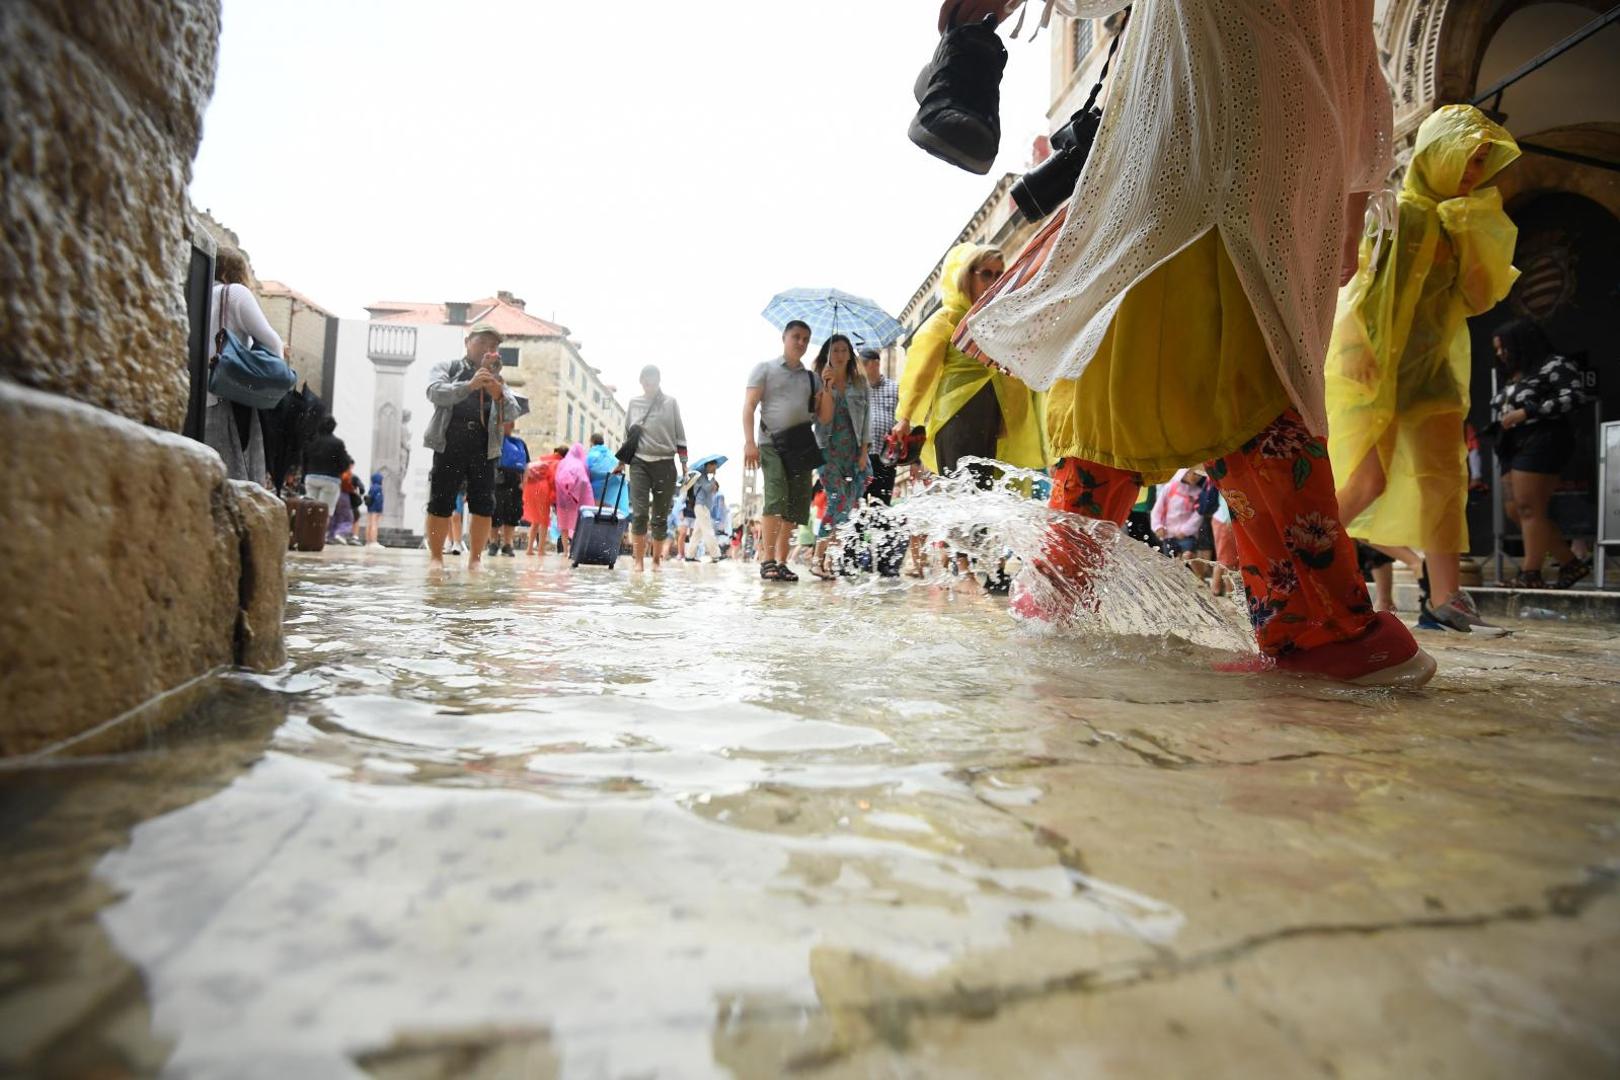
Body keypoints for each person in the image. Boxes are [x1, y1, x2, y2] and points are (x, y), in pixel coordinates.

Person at [958, 0, 1432, 685]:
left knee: (1218, 373)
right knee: (1179, 367)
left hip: (1200, 135)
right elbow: (1363, 66)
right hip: (1276, 145)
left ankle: (1325, 627)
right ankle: (1059, 597)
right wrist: (1348, 205)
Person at [1327, 104, 1521, 633]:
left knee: (1443, 483)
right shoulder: (1398, 214)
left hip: (1434, 376)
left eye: (1482, 162)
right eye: (1466, 158)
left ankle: (1447, 599)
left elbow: (1478, 298)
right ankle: (1294, 567)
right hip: (1380, 371)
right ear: (1437, 153)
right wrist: (1354, 356)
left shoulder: (1459, 223)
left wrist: (1475, 231)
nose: (1473, 173)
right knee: (1366, 481)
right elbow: (1360, 291)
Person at [892, 244, 1044, 486]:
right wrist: (906, 417)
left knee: (982, 498)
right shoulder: (948, 319)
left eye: (998, 275)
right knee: (964, 495)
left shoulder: (999, 321)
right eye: (986, 274)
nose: (993, 281)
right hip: (956, 416)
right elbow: (922, 371)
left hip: (990, 418)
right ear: (966, 276)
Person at [1489, 319, 1592, 589]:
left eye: (1504, 348)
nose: (1501, 354)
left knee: (1529, 507)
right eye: (1497, 349)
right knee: (1515, 510)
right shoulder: (1513, 373)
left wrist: (1528, 411)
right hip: (1512, 443)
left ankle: (1530, 574)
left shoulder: (1554, 365)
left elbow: (1576, 395)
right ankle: (1570, 563)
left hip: (1543, 438)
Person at [422, 323, 520, 569]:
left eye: (494, 346)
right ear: (468, 342)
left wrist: (498, 393)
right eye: (483, 342)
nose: (489, 349)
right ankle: (436, 557)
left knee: (484, 503)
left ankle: (476, 560)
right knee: (441, 501)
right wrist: (469, 386)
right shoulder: (449, 367)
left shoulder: (498, 379)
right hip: (449, 442)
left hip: (485, 447)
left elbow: (513, 412)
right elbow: (434, 392)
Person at [744, 321, 834, 582]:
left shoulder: (812, 378)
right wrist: (749, 442)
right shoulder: (765, 369)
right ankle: (767, 560)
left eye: (806, 339)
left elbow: (825, 417)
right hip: (771, 442)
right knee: (775, 497)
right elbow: (749, 406)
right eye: (796, 337)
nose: (801, 343)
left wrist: (826, 387)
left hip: (801, 445)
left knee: (795, 507)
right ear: (784, 337)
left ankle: (782, 562)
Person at [205, 247, 282, 486]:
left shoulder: (195, 292)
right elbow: (273, 344)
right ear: (231, 272)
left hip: (195, 402)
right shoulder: (234, 293)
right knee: (236, 483)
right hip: (228, 398)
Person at [810, 335, 871, 580]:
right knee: (837, 500)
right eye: (835, 350)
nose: (840, 354)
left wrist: (865, 451)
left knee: (848, 502)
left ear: (850, 354)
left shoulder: (860, 383)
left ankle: (830, 558)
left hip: (854, 450)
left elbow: (867, 418)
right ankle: (818, 558)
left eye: (844, 350)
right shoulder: (817, 380)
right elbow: (820, 420)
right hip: (827, 450)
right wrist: (826, 389)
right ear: (827, 353)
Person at [621, 365, 689, 572]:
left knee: (660, 516)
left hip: (665, 464)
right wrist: (621, 461)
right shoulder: (634, 403)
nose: (649, 383)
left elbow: (680, 434)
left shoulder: (670, 403)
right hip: (640, 463)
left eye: (653, 379)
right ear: (640, 381)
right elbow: (627, 435)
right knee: (640, 514)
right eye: (645, 380)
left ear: (659, 380)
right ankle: (638, 560)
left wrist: (684, 465)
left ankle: (657, 560)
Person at [862, 347, 899, 505]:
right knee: (857, 509)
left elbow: (904, 420)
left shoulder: (895, 388)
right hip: (862, 457)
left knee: (882, 509)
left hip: (886, 458)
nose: (859, 367)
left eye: (863, 363)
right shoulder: (858, 390)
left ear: (876, 364)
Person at [302, 414, 352, 527]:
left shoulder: (311, 441)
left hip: (311, 477)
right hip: (331, 479)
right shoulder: (338, 443)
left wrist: (306, 473)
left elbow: (304, 459)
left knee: (310, 509)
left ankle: (308, 535)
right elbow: (344, 463)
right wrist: (338, 471)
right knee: (324, 512)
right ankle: (319, 537)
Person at [491, 422, 529, 557]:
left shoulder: (519, 443)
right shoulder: (493, 441)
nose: (507, 426)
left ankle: (508, 543)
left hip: (514, 482)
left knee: (512, 513)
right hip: (497, 481)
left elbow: (526, 465)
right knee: (495, 512)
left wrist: (524, 483)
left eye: (509, 424)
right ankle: (493, 543)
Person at [1151, 469, 1205, 558]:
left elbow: (1198, 515)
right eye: (1194, 473)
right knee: (1170, 562)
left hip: (1188, 536)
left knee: (1189, 558)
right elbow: (1157, 510)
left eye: (1199, 475)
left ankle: (1199, 571)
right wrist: (1158, 526)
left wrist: (1185, 530)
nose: (1197, 477)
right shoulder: (1169, 488)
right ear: (1184, 472)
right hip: (1168, 534)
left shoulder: (1198, 493)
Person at [554, 443, 594, 557]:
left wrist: (566, 491)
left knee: (564, 525)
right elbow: (583, 480)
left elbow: (557, 478)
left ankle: (565, 551)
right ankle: (574, 550)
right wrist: (574, 493)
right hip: (577, 500)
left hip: (562, 499)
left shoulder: (563, 463)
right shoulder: (580, 464)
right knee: (577, 525)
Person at [683, 461, 723, 562]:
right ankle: (716, 554)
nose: (715, 469)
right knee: (708, 530)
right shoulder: (700, 475)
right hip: (701, 506)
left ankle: (689, 555)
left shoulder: (703, 475)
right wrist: (713, 478)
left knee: (697, 533)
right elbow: (708, 488)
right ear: (708, 465)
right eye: (714, 467)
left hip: (702, 506)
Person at [585, 432, 630, 517]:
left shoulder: (591, 455)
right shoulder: (612, 456)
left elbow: (585, 472)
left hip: (595, 496)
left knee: (595, 517)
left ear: (592, 442)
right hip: (612, 498)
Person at [365, 470, 384, 545]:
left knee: (369, 524)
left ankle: (368, 541)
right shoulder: (378, 488)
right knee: (374, 524)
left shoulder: (372, 487)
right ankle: (374, 541)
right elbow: (379, 500)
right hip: (375, 509)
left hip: (370, 508)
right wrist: (380, 510)